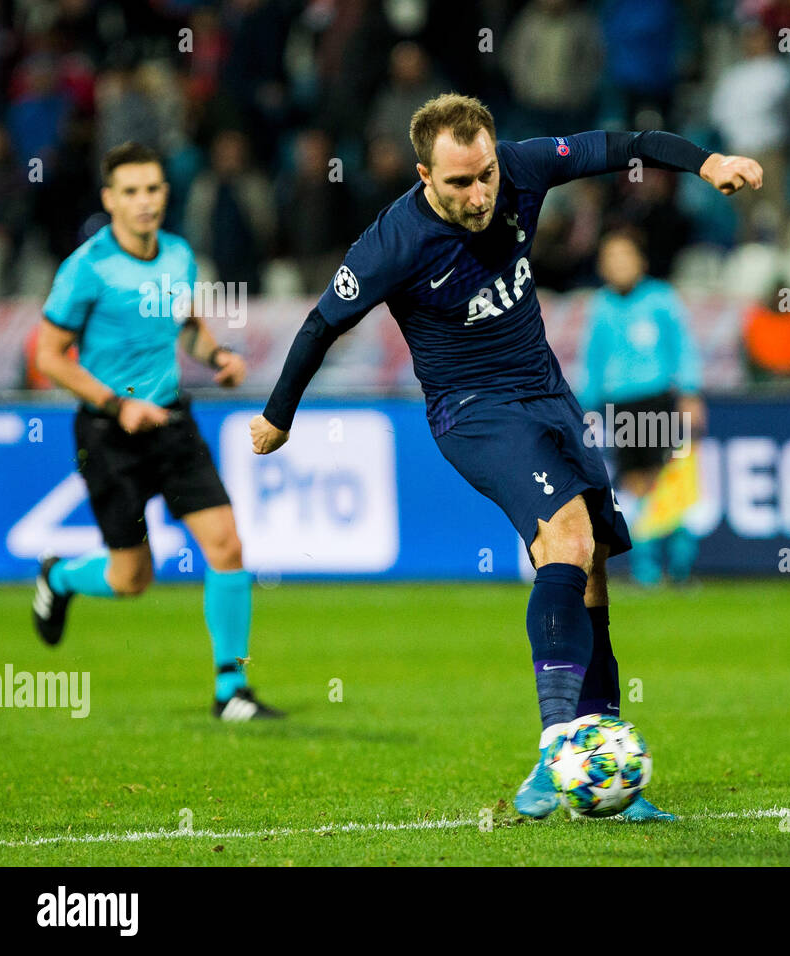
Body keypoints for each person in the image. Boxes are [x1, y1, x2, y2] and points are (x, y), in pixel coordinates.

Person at [249, 93, 761, 820]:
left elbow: (623, 144)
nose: (480, 192)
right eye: (459, 182)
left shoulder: (523, 168)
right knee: (569, 539)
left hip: (548, 395)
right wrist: (278, 416)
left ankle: (601, 768)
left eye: (485, 174)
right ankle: (560, 746)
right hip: (473, 410)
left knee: (592, 578)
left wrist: (707, 161)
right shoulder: (392, 242)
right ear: (425, 175)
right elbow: (319, 324)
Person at [31, 141, 282, 722]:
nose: (144, 202)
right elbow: (49, 356)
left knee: (226, 545)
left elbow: (187, 326)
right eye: (131, 192)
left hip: (170, 421)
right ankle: (61, 576)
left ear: (165, 194)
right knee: (131, 578)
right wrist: (118, 407)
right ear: (110, 199)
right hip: (109, 435)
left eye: (153, 189)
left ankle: (230, 691)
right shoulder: (86, 268)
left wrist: (216, 354)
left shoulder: (177, 255)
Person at [576, 227, 705, 586]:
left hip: (656, 398)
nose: (617, 265)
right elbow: (593, 360)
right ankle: (649, 567)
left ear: (641, 261)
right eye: (610, 259)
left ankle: (678, 563)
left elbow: (683, 347)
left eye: (624, 256)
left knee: (663, 480)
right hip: (620, 404)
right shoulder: (600, 307)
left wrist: (691, 391)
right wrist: (586, 406)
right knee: (634, 483)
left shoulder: (660, 300)